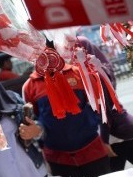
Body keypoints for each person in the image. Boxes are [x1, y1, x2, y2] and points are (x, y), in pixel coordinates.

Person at [22, 47, 111, 177]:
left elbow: (99, 107)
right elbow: (35, 120)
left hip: (92, 151)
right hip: (58, 159)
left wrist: (105, 139)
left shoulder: (78, 73)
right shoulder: (30, 86)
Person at [77, 36, 133, 171]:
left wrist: (103, 140)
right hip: (109, 137)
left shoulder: (97, 74)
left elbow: (103, 107)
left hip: (118, 133)